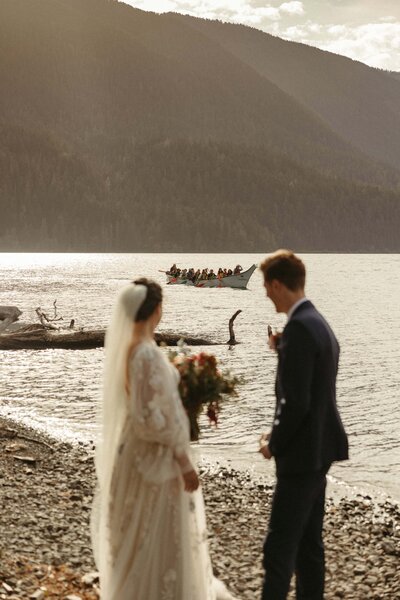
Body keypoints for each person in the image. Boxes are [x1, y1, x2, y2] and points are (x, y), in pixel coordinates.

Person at [91, 279, 234, 600]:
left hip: (132, 455)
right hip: (156, 460)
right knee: (160, 539)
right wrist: (183, 459)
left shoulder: (128, 350)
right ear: (156, 309)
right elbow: (149, 420)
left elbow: (142, 411)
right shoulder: (146, 354)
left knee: (137, 535)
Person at [258, 250, 348, 600]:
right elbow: (315, 375)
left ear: (277, 285)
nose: (266, 295)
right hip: (320, 449)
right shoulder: (317, 322)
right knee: (310, 546)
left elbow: (295, 403)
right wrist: (283, 348)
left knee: (278, 549)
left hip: (299, 456)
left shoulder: (299, 329)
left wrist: (273, 441)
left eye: (267, 287)